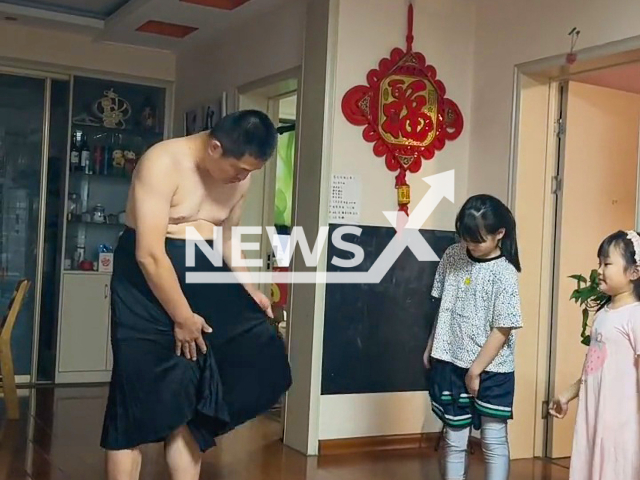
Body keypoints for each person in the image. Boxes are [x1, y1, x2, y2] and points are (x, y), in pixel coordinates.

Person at [100, 110, 292, 480]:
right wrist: (182, 317)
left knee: (234, 368)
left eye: (251, 172)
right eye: (240, 169)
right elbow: (149, 254)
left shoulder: (240, 177)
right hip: (147, 283)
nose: (242, 178)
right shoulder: (163, 161)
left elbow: (228, 237)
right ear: (215, 147)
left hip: (205, 275)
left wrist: (247, 286)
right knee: (137, 396)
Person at [423, 194, 523, 480]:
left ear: (499, 234)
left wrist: (475, 371)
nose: (470, 245)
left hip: (492, 369)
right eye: (465, 237)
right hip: (449, 361)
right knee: (454, 440)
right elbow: (444, 305)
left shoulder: (504, 273)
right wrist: (432, 344)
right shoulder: (453, 256)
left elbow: (503, 328)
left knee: (493, 441)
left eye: (477, 240)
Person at [549, 230, 640, 480]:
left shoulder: (635, 316)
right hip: (594, 413)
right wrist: (567, 395)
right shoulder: (603, 315)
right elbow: (593, 367)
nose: (599, 270)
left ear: (634, 272)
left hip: (620, 420)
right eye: (599, 262)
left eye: (607, 263)